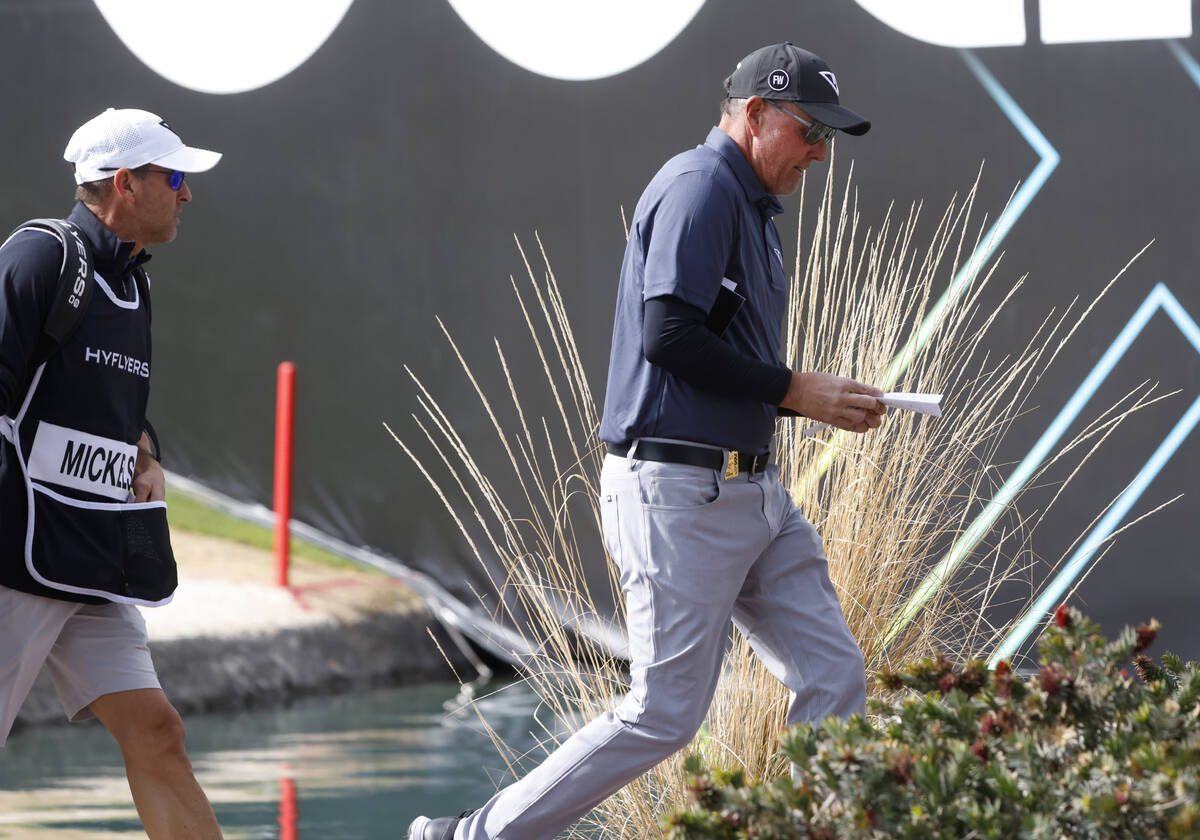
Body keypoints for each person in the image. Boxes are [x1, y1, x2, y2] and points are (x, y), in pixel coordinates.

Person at [408, 42, 886, 840]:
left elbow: (718, 356)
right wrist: (795, 388)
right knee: (664, 714)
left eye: (828, 139)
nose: (818, 153)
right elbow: (669, 335)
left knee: (834, 675)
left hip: (751, 493)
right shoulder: (701, 187)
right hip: (679, 494)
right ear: (755, 113)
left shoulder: (754, 208)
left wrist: (805, 399)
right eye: (810, 132)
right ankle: (473, 837)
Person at [0, 108, 224, 839]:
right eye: (176, 177)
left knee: (157, 731)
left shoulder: (133, 285)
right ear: (125, 183)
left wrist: (145, 451)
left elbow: (108, 403)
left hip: (89, 560)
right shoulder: (41, 257)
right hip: (16, 559)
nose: (187, 194)